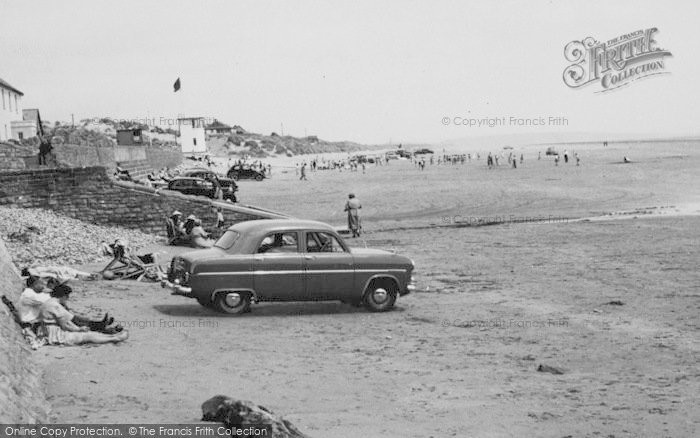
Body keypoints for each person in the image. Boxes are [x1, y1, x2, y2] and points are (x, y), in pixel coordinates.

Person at [37, 285, 128, 346]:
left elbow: (66, 321)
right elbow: (65, 324)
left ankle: (113, 336)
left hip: (49, 330)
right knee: (87, 336)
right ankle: (114, 338)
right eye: (67, 296)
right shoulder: (55, 305)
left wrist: (78, 329)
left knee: (87, 333)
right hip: (54, 334)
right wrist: (78, 329)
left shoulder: (50, 302)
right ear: (64, 296)